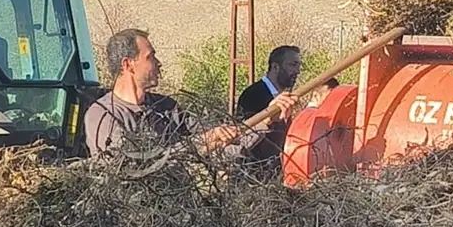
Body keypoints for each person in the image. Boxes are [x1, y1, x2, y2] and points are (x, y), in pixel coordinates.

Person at [85, 28, 296, 159]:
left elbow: (224, 143)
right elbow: (133, 168)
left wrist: (267, 120)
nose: (159, 63)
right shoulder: (104, 115)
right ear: (128, 64)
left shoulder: (167, 107)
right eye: (150, 57)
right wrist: (202, 143)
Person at [235, 45, 302, 173]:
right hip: (254, 177)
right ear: (276, 67)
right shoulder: (253, 95)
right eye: (293, 65)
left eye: (299, 65)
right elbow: (244, 138)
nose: (297, 71)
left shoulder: (284, 97)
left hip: (276, 176)